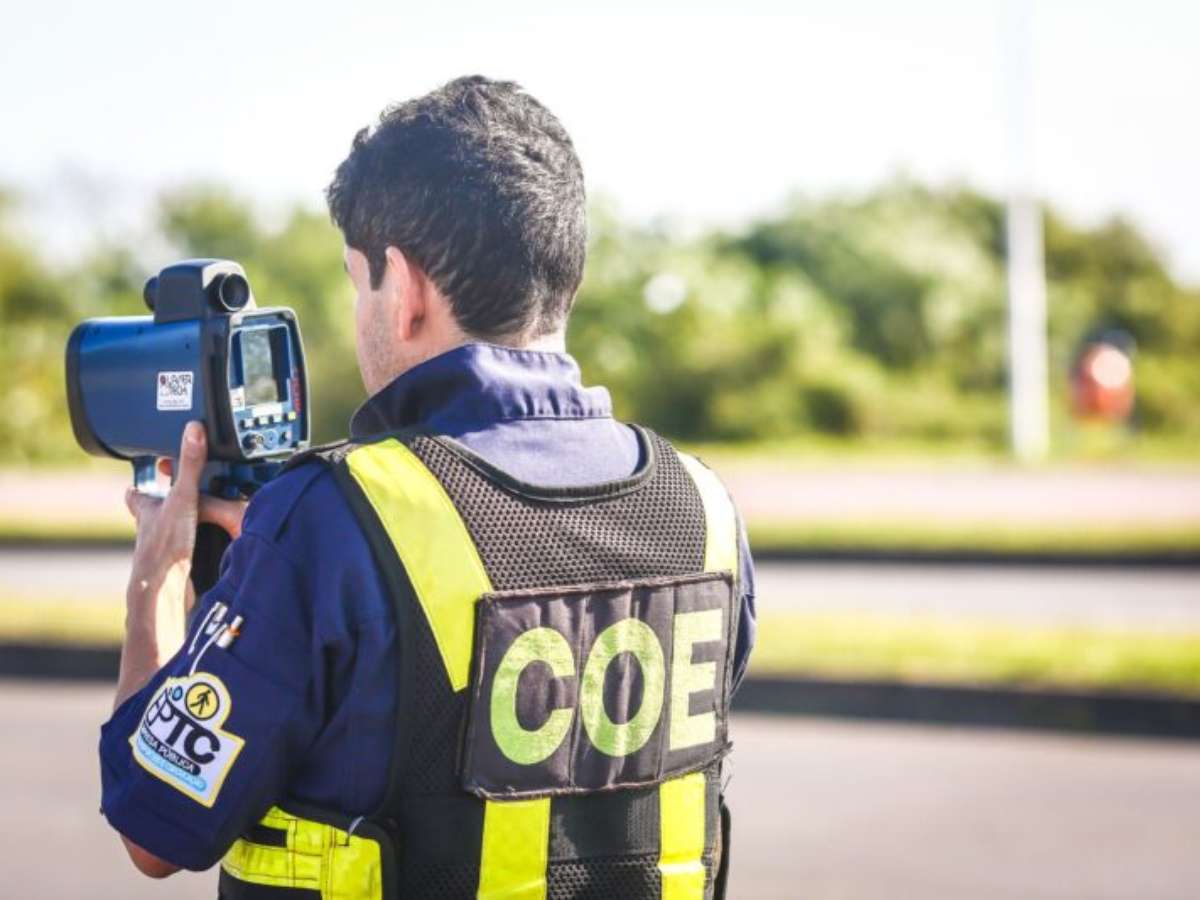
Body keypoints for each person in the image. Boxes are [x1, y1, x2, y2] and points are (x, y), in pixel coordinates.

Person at [99, 74, 757, 900]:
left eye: (358, 282)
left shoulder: (330, 520)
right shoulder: (702, 509)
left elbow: (155, 827)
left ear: (404, 289)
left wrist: (158, 579)